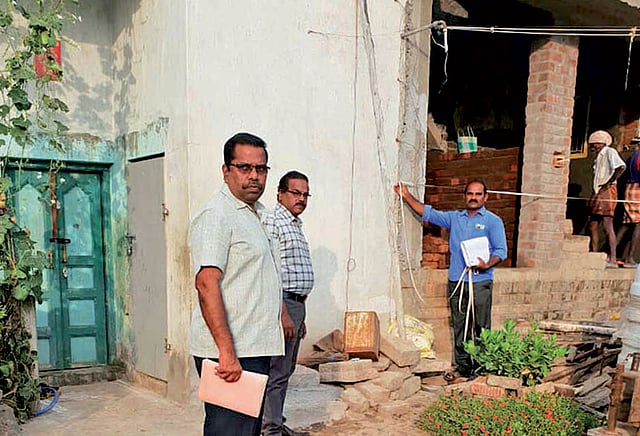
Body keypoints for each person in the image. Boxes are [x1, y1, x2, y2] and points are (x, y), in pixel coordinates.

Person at [189, 132, 284, 436]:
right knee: (229, 431)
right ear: (226, 170)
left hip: (253, 347)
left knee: (246, 431)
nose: (254, 176)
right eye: (244, 167)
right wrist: (226, 352)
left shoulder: (256, 214)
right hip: (231, 352)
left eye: (261, 168)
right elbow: (206, 284)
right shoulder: (217, 215)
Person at [394, 180, 507, 380]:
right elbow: (429, 213)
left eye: (478, 194)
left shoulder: (493, 221)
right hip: (457, 281)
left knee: (481, 327)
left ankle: (482, 369)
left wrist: (487, 264)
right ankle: (462, 368)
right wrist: (407, 195)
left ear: (485, 197)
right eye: (470, 194)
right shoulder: (455, 218)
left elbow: (501, 251)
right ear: (465, 196)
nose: (473, 197)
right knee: (460, 325)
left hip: (480, 281)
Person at [262, 171, 314, 436]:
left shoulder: (294, 223)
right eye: (296, 193)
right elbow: (270, 269)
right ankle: (269, 429)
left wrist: (300, 316)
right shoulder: (274, 221)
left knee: (286, 370)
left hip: (296, 305)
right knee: (277, 371)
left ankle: (275, 422)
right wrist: (283, 312)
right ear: (280, 193)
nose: (301, 199)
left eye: (305, 194)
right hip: (282, 304)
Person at [587, 130, 626, 268]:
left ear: (602, 143)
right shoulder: (598, 157)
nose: (593, 147)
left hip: (607, 191)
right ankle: (594, 254)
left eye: (595, 144)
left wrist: (608, 183)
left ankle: (613, 258)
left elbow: (621, 167)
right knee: (593, 224)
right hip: (598, 191)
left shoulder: (610, 152)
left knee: (607, 225)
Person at [616, 140, 640, 268]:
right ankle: (629, 258)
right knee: (638, 224)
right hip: (637, 189)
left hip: (630, 188)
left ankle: (611, 254)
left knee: (627, 223)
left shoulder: (634, 155)